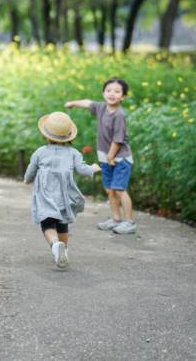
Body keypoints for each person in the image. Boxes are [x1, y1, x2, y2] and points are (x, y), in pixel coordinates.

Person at [24, 111, 101, 268]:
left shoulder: (40, 152)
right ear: (68, 136)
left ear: (46, 135)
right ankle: (63, 250)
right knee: (62, 222)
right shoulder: (73, 153)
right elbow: (83, 170)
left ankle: (54, 245)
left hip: (45, 195)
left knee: (47, 224)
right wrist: (93, 168)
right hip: (64, 196)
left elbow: (31, 171)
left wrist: (27, 179)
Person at [65, 77, 136, 234]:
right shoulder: (101, 108)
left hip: (119, 159)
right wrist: (73, 103)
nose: (112, 94)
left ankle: (129, 222)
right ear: (103, 93)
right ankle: (116, 219)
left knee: (119, 189)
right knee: (110, 190)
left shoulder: (119, 115)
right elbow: (86, 102)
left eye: (117, 92)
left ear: (123, 97)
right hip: (106, 158)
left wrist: (111, 157)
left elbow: (118, 140)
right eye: (109, 90)